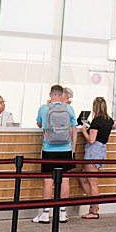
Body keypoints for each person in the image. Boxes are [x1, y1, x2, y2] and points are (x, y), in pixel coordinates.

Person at [33, 85, 77, 224]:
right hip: (66, 149)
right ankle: (62, 213)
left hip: (49, 149)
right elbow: (74, 129)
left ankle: (45, 214)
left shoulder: (43, 108)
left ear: (51, 94)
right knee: (65, 179)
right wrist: (73, 149)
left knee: (48, 180)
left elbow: (39, 124)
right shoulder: (69, 109)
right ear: (62, 94)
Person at [78, 96, 115, 219]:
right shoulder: (109, 120)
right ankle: (94, 203)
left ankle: (94, 210)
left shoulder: (96, 121)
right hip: (101, 150)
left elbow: (92, 140)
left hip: (93, 151)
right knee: (82, 178)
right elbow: (115, 126)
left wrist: (84, 131)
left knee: (92, 182)